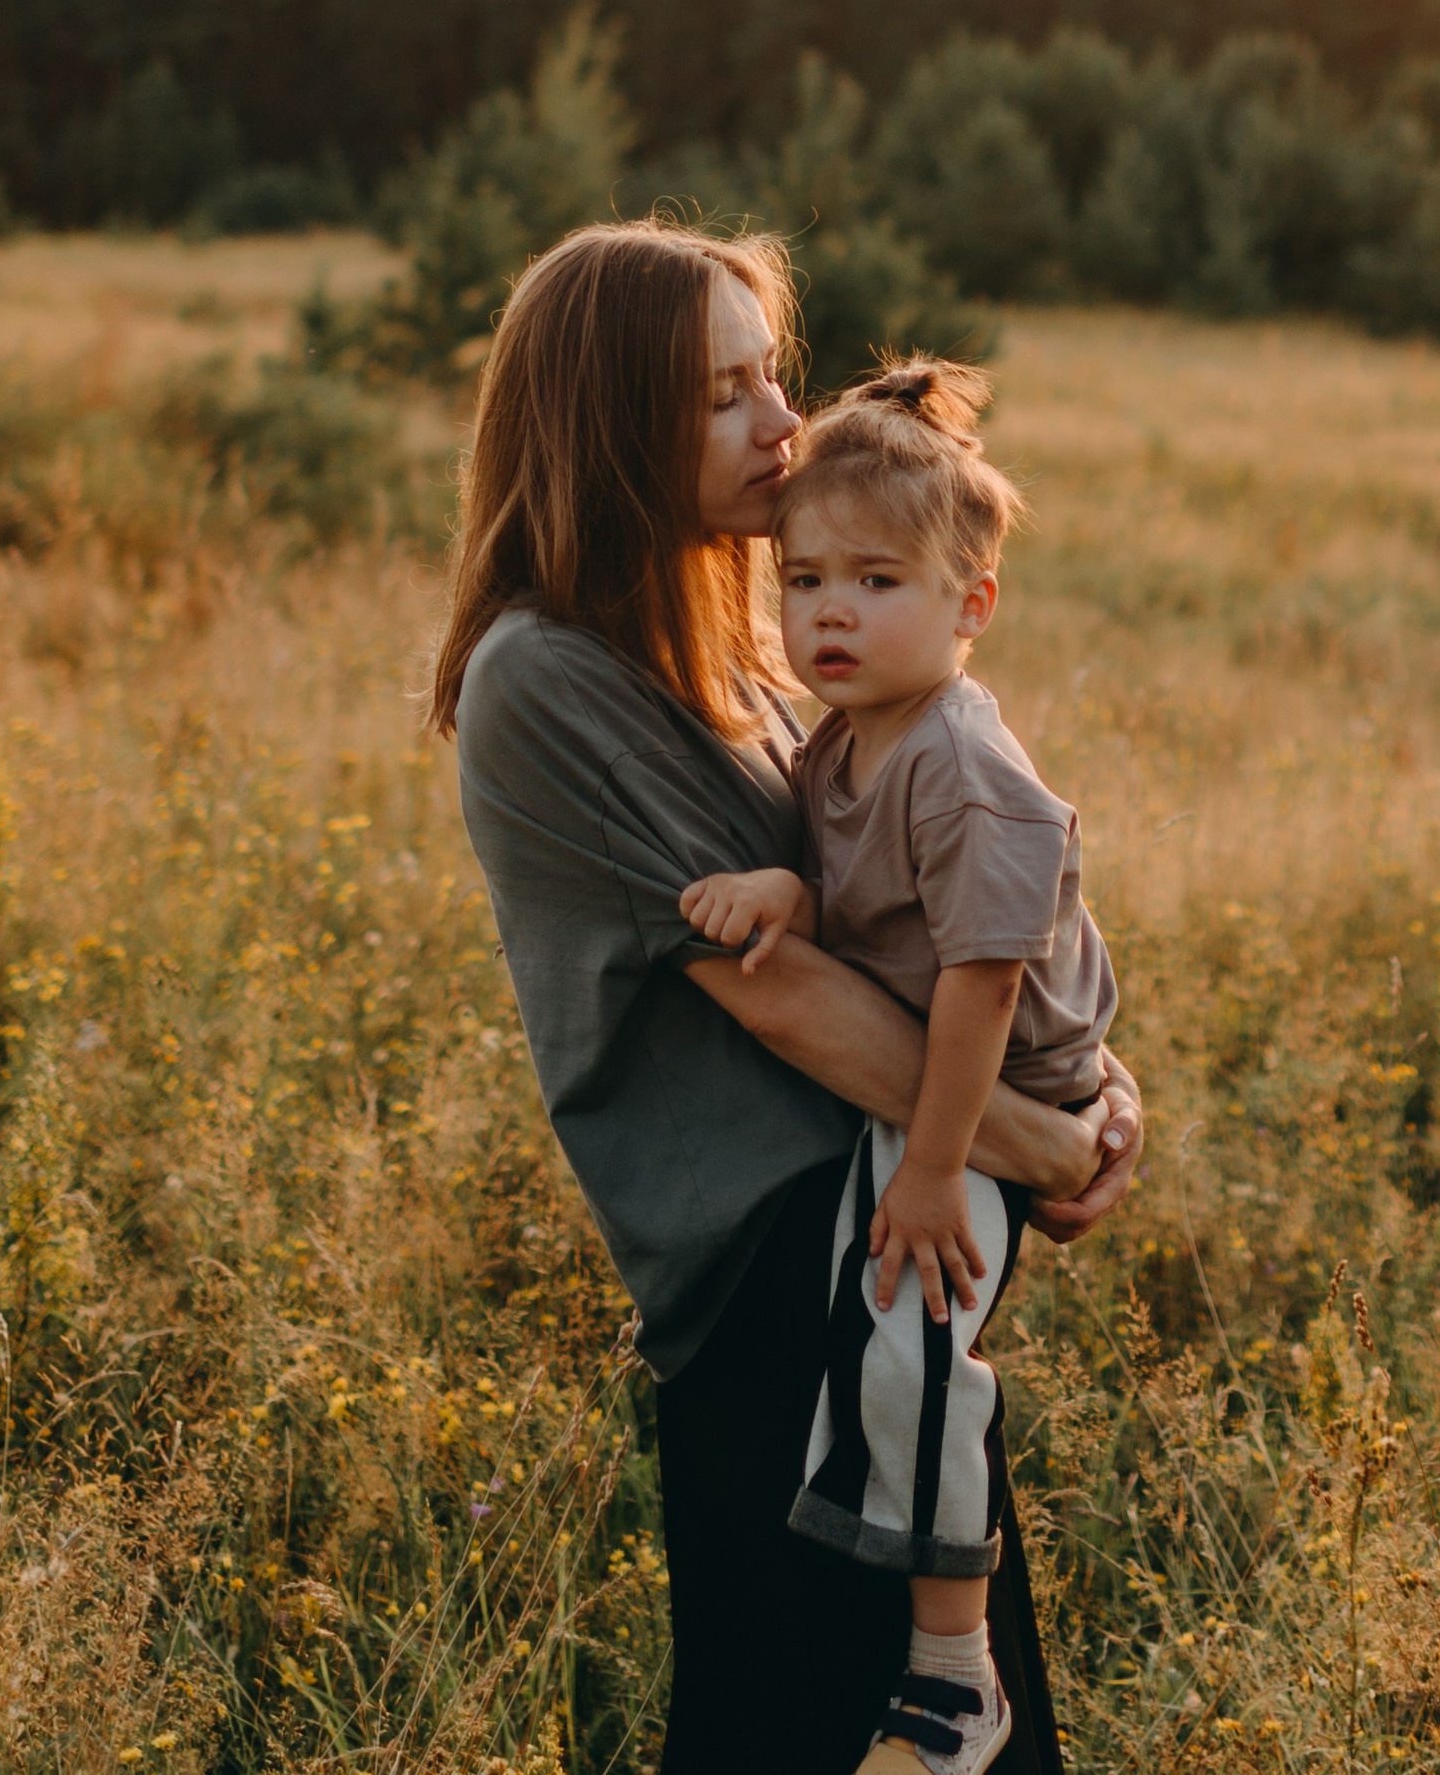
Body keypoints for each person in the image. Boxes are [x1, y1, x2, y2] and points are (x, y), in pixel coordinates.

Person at [430, 222, 1143, 1775]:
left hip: (876, 1251)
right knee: (804, 1726)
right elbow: (789, 999)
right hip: (780, 1285)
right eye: (723, 396)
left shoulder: (752, 644)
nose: (783, 428)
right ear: (609, 422)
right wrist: (1037, 1143)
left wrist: (1089, 1082)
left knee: (937, 1725)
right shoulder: (545, 677)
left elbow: (935, 904)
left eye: (774, 379)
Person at [681, 361, 1114, 1775]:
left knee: (919, 1337)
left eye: (876, 581)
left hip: (998, 1095)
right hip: (924, 1075)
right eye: (804, 581)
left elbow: (985, 983)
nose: (830, 614)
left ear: (969, 605)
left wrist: (937, 1171)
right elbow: (849, 890)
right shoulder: (843, 742)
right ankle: (892, 1632)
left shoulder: (961, 760)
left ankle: (954, 1677)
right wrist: (781, 893)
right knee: (869, 1328)